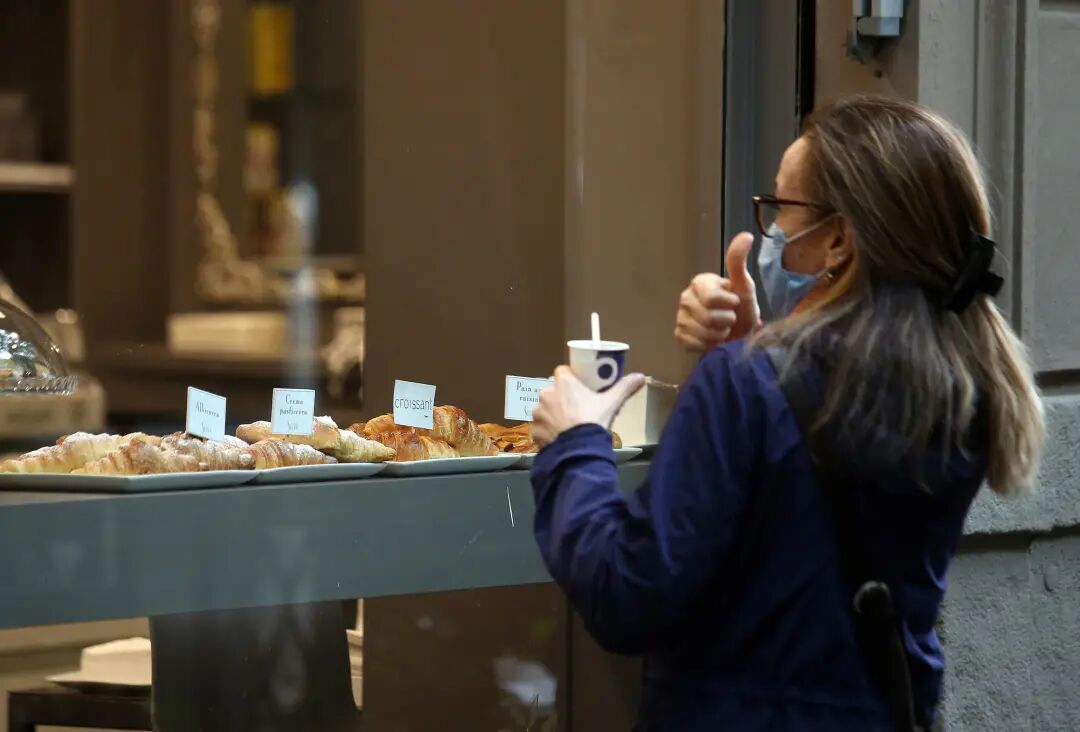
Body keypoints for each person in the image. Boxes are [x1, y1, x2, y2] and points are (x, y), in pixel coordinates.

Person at [529, 96, 1045, 731]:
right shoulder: (961, 387)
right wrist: (761, 344)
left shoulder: (746, 387)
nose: (771, 231)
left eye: (780, 207)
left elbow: (628, 595)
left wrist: (576, 444)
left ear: (839, 240)